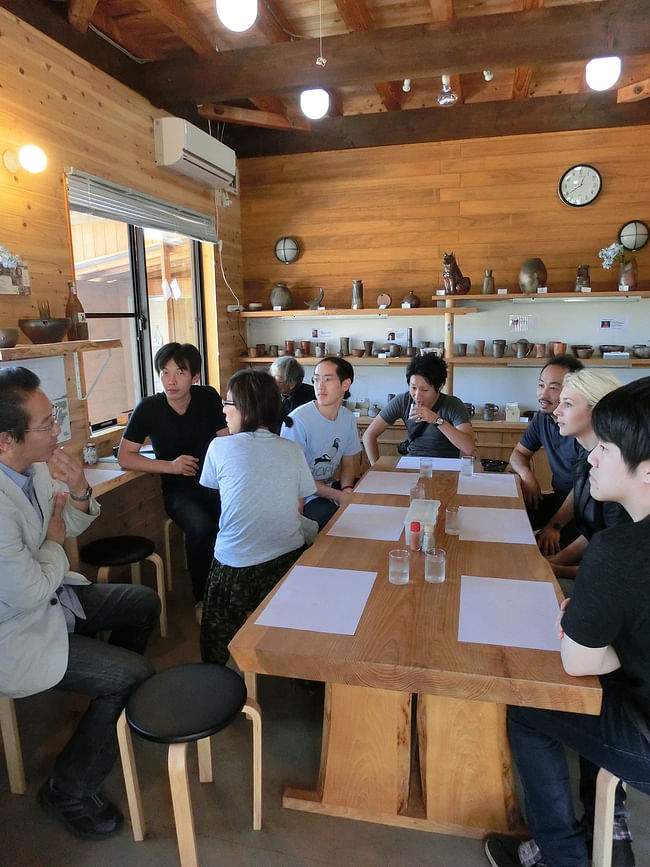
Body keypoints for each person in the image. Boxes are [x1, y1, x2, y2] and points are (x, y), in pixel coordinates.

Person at [485, 377, 650, 867]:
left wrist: (591, 625)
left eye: (609, 448)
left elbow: (577, 661)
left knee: (536, 701)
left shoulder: (620, 552)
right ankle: (609, 827)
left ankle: (561, 853)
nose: (594, 457)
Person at [0, 367, 160, 839]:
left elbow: (66, 527)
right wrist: (51, 542)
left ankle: (106, 708)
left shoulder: (31, 470)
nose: (57, 433)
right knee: (134, 675)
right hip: (17, 631)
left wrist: (81, 490)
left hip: (51, 597)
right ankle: (67, 788)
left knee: (142, 603)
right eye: (47, 425)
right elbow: (29, 587)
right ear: (5, 439)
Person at [199, 369, 317, 665]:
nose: (223, 411)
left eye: (228, 403)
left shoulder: (219, 447)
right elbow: (299, 502)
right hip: (286, 563)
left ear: (246, 408)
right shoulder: (291, 449)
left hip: (235, 570)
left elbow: (213, 489)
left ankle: (215, 674)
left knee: (216, 636)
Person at [118, 342, 228, 615]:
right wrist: (171, 467)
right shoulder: (149, 407)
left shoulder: (207, 397)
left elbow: (224, 439)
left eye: (179, 372)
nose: (171, 381)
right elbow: (125, 456)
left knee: (234, 522)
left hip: (216, 484)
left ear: (195, 377)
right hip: (179, 491)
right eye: (165, 373)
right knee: (202, 529)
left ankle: (232, 590)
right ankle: (203, 599)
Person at [546, 368, 630, 583]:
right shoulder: (588, 453)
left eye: (568, 404)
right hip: (588, 567)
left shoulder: (618, 470)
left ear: (598, 410)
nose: (556, 411)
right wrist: (555, 561)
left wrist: (557, 569)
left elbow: (619, 565)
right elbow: (595, 533)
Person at [509, 354, 584, 547]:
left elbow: (583, 489)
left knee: (537, 548)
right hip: (558, 501)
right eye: (541, 385)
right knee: (505, 517)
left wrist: (554, 526)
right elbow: (518, 454)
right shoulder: (543, 418)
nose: (543, 394)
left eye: (553, 388)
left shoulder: (582, 426)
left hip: (582, 512)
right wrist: (528, 477)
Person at [281, 356, 361, 530]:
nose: (319, 385)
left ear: (345, 385)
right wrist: (338, 496)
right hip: (301, 495)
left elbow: (348, 463)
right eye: (316, 379)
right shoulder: (298, 420)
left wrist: (347, 488)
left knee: (367, 508)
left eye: (327, 379)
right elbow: (297, 478)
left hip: (329, 487)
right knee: (340, 522)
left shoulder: (347, 418)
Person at [362, 353, 474, 464]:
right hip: (412, 464)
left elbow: (469, 448)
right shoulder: (403, 401)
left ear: (440, 386)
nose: (417, 395)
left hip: (446, 466)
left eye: (424, 390)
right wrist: (376, 467)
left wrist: (437, 420)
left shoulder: (453, 405)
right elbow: (369, 435)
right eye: (413, 387)